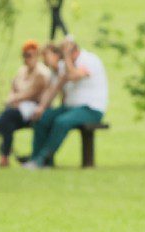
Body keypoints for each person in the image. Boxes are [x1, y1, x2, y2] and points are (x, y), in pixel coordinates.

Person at [22, 38, 106, 170]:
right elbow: (54, 89)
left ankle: (43, 158)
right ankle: (36, 159)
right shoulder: (65, 65)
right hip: (71, 108)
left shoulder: (89, 60)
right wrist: (42, 108)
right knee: (43, 118)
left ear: (71, 52)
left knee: (62, 122)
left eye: (62, 54)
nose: (60, 58)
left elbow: (74, 75)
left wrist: (66, 57)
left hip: (91, 109)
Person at [0, 41, 56, 167]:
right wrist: (12, 98)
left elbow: (32, 93)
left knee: (8, 114)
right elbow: (13, 87)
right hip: (19, 108)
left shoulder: (41, 73)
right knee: (8, 122)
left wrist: (13, 100)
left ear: (37, 56)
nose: (27, 58)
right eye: (25, 55)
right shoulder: (22, 71)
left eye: (30, 55)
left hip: (36, 107)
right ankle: (4, 157)